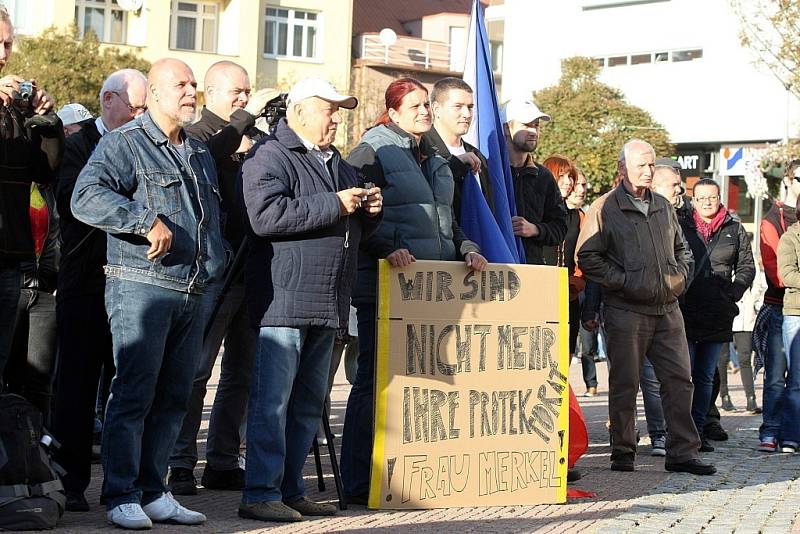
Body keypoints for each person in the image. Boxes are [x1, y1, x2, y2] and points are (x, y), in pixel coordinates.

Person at [71, 58, 225, 529]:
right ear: (154, 92)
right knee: (134, 392)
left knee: (175, 396)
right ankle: (121, 494)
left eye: (193, 85)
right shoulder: (125, 144)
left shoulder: (198, 151)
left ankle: (154, 491)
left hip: (193, 288)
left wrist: (215, 262)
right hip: (140, 284)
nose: (190, 92)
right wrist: (143, 221)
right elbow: (85, 196)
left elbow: (209, 220)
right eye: (181, 84)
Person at [237, 77, 382, 523]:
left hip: (328, 301)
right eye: (329, 109)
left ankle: (289, 488)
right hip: (282, 301)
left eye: (339, 110)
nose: (337, 118)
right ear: (299, 111)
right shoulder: (270, 155)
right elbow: (265, 217)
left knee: (307, 405)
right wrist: (337, 204)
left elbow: (348, 231)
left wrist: (372, 212)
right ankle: (260, 492)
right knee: (273, 402)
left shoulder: (338, 162)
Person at [342, 77, 487, 504]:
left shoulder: (435, 157)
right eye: (416, 105)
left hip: (431, 290)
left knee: (421, 387)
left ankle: (406, 478)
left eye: (427, 104)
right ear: (393, 110)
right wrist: (389, 247)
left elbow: (446, 218)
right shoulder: (372, 150)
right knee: (373, 384)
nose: (425, 111)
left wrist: (468, 247)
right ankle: (356, 483)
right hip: (383, 288)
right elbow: (360, 216)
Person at [167, 60, 277, 496]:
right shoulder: (195, 135)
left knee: (242, 373)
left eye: (247, 93)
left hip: (253, 270)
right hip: (215, 271)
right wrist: (242, 125)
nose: (245, 99)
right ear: (210, 91)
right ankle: (178, 461)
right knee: (196, 370)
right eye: (236, 92)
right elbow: (207, 160)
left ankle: (224, 461)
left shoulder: (258, 138)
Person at [576, 139, 714, 475]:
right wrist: (625, 282)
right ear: (623, 169)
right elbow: (587, 257)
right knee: (625, 383)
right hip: (625, 310)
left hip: (667, 309)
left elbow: (685, 252)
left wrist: (677, 280)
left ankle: (682, 452)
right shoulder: (603, 208)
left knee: (681, 380)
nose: (649, 171)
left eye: (652, 165)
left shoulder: (665, 207)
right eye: (641, 165)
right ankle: (623, 451)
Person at [52, 68, 147, 513]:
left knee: (127, 385)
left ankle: (127, 486)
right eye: (135, 107)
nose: (140, 115)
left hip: (134, 283)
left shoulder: (148, 143)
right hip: (85, 280)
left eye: (146, 108)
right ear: (109, 100)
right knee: (75, 383)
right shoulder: (77, 145)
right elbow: (74, 201)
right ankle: (70, 481)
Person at [0, 6, 62, 384]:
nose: (3, 54)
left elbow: (45, 174)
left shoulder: (15, 112)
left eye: (7, 44)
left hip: (10, 259)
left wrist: (47, 122)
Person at [678, 178, 755, 452]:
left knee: (706, 376)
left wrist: (732, 292)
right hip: (685, 311)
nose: (707, 202)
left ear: (720, 197)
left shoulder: (734, 228)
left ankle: (698, 432)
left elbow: (747, 266)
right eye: (701, 198)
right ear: (693, 200)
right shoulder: (680, 224)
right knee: (683, 376)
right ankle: (680, 431)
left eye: (712, 197)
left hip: (717, 312)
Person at [758, 160, 800, 452]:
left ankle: (791, 433)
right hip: (779, 306)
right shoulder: (773, 220)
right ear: (789, 180)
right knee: (776, 376)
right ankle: (771, 431)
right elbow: (779, 274)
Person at [502, 98, 567, 265]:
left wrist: (535, 229)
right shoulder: (487, 172)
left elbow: (561, 226)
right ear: (507, 129)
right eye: (526, 125)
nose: (533, 131)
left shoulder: (544, 177)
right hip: (493, 268)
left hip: (531, 270)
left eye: (536, 125)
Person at [424, 76, 494, 220]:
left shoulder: (477, 155)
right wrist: (456, 164)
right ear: (436, 109)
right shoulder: (421, 149)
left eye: (470, 107)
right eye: (458, 106)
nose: (467, 114)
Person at [718, 260, 765, 413]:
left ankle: (751, 398)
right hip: (724, 313)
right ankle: (724, 396)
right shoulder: (722, 257)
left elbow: (757, 283)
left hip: (745, 316)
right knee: (722, 358)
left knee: (745, 358)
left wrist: (753, 299)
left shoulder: (748, 261)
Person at [776, 201, 800, 453]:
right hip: (796, 314)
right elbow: (787, 275)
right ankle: (791, 436)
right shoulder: (790, 238)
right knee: (796, 381)